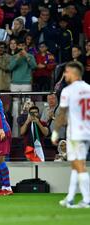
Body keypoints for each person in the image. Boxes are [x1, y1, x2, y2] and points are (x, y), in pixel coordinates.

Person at [52, 61, 90, 208]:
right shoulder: (89, 88)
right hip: (87, 132)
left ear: (74, 73)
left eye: (67, 72)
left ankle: (87, 199)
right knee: (75, 164)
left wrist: (55, 132)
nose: (65, 75)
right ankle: (70, 197)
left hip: (75, 133)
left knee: (79, 165)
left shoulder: (68, 91)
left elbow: (61, 114)